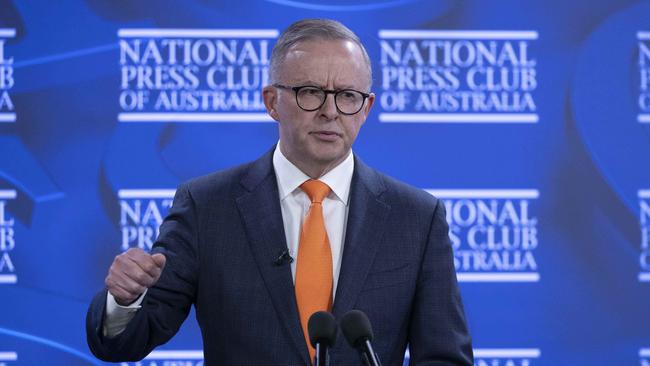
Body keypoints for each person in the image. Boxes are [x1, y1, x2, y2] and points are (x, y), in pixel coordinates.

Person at [86, 18, 473, 365]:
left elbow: (445, 356)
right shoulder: (206, 207)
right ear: (272, 101)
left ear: (367, 107)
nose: (330, 111)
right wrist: (123, 300)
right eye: (310, 92)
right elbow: (124, 343)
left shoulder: (417, 218)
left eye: (348, 96)